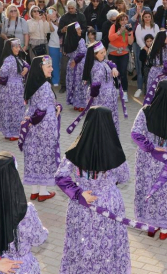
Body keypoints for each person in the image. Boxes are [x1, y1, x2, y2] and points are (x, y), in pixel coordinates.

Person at [54, 107, 132, 274]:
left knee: (81, 245)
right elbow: (125, 177)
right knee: (107, 245)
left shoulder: (75, 150)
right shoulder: (115, 152)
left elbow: (60, 176)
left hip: (82, 204)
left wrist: (78, 193)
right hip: (109, 204)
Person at [131, 81, 167, 240]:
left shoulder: (145, 111)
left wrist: (151, 146)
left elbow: (135, 134)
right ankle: (165, 228)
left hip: (149, 157)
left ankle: (151, 224)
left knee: (149, 187)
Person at [21, 56, 61, 201]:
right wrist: (54, 109)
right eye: (48, 66)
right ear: (40, 68)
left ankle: (34, 191)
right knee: (45, 155)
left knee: (34, 155)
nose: (52, 69)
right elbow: (42, 110)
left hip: (34, 127)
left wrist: (56, 106)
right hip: (44, 127)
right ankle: (43, 192)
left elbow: (39, 106)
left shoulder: (34, 83)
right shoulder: (44, 86)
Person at [0, 39, 29, 141]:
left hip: (15, 88)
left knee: (13, 110)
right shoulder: (10, 59)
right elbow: (2, 72)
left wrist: (26, 68)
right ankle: (13, 133)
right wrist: (8, 79)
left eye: (18, 46)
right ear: (10, 48)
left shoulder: (16, 58)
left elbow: (26, 64)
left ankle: (11, 132)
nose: (18, 49)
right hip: (11, 89)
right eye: (15, 47)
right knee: (13, 110)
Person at [80, 41, 123, 132]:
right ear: (95, 55)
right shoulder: (97, 67)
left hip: (108, 96)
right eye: (101, 53)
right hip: (103, 98)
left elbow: (110, 62)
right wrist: (92, 97)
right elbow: (95, 85)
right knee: (104, 119)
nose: (104, 54)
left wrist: (114, 68)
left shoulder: (102, 61)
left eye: (104, 51)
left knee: (109, 117)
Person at [63, 23, 88, 110]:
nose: (80, 31)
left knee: (73, 83)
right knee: (80, 84)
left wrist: (74, 60)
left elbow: (67, 53)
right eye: (78, 29)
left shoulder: (68, 41)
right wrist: (76, 60)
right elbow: (82, 52)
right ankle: (81, 104)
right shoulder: (81, 40)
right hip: (80, 65)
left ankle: (76, 103)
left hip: (72, 64)